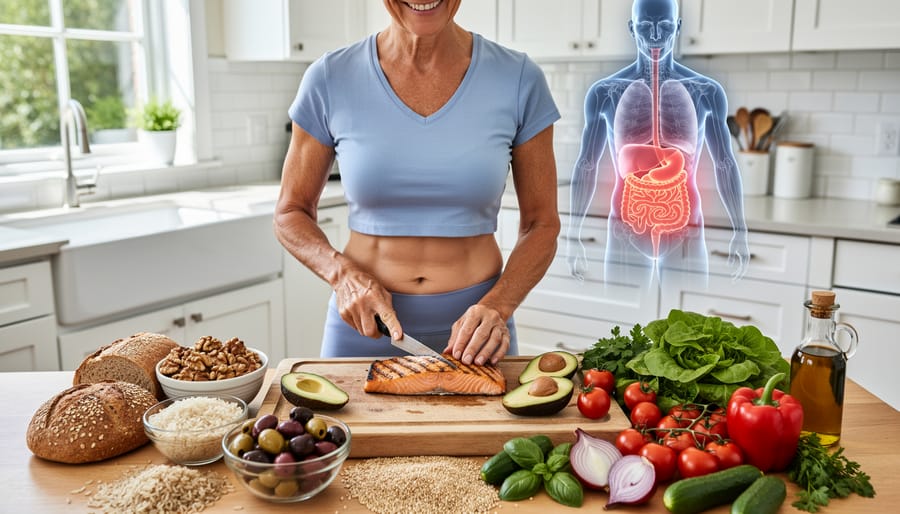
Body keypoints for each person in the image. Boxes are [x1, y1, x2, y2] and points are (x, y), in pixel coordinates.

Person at [274, 0, 561, 366]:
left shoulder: (518, 78)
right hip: (364, 328)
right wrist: (341, 274)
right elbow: (289, 212)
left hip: (478, 335)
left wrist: (498, 306)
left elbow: (542, 224)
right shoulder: (330, 77)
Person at [567, 0, 749, 287]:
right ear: (631, 28)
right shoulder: (605, 92)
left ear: (677, 27)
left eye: (664, 27)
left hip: (686, 227)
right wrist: (573, 233)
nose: (655, 37)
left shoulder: (705, 91)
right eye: (644, 27)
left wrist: (741, 229)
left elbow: (724, 162)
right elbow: (586, 164)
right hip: (625, 228)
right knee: (619, 324)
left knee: (690, 326)